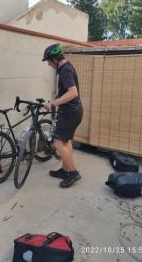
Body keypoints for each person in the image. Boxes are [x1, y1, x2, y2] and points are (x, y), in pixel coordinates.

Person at [43, 43, 83, 188]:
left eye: (48, 61)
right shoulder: (66, 68)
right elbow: (65, 90)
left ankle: (73, 173)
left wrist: (53, 104)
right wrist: (55, 98)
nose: (48, 64)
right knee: (66, 142)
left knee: (58, 142)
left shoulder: (65, 70)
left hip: (70, 113)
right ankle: (65, 170)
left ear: (54, 59)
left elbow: (73, 92)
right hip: (73, 112)